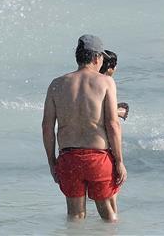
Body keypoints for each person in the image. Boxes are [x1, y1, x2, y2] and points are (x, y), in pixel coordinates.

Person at [42, 34, 126, 221]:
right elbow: (113, 124)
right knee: (108, 216)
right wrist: (119, 161)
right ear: (97, 57)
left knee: (75, 217)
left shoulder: (56, 84)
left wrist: (51, 161)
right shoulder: (105, 82)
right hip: (98, 158)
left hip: (68, 157)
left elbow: (47, 127)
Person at [100, 50, 129, 120]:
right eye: (115, 66)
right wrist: (117, 112)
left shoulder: (90, 79)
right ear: (110, 68)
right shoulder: (107, 82)